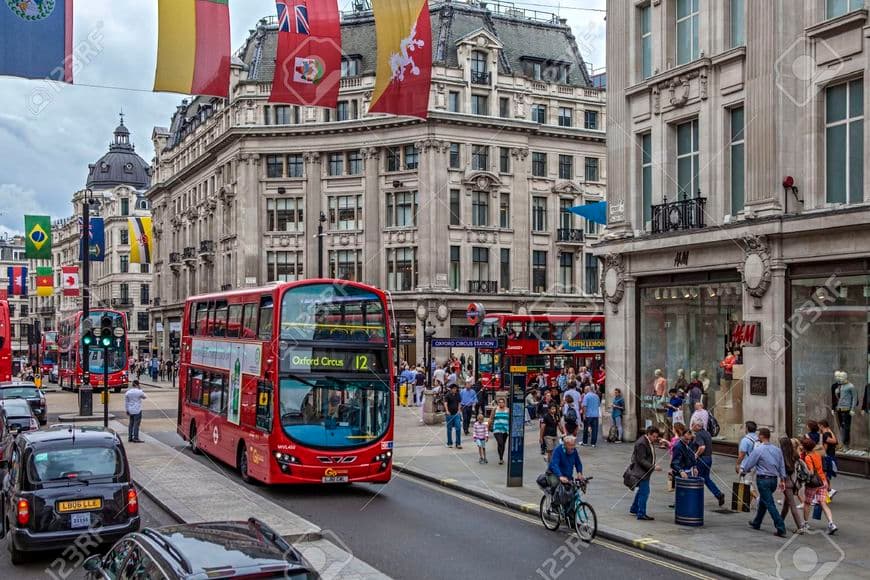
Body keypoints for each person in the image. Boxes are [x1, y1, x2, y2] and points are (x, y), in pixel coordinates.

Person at [740, 427, 787, 537]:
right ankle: (757, 522)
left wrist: (744, 470)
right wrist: (782, 478)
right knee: (764, 501)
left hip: (763, 480)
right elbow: (781, 465)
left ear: (761, 436)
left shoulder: (759, 450)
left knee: (769, 504)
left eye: (759, 435)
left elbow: (750, 463)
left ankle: (781, 527)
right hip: (774, 480)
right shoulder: (777, 450)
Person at [800, 437, 837, 534]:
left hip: (814, 483)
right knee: (823, 503)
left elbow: (811, 472)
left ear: (804, 447)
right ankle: (831, 523)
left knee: (807, 503)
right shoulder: (817, 454)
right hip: (823, 481)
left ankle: (805, 523)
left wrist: (804, 471)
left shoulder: (808, 457)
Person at [626, 426, 662, 521]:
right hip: (641, 472)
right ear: (648, 434)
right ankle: (641, 513)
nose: (655, 438)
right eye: (654, 436)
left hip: (645, 471)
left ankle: (634, 508)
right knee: (645, 492)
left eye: (656, 437)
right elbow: (641, 460)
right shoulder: (642, 443)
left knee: (641, 490)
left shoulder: (647, 441)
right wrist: (653, 467)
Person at [691, 420, 726, 507]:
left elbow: (702, 447)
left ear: (698, 426)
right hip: (709, 458)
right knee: (706, 478)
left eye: (693, 425)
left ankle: (696, 499)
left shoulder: (698, 434)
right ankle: (718, 494)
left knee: (698, 479)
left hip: (702, 459)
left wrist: (695, 455)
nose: (691, 426)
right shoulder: (707, 433)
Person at [779, 436, 807, 534]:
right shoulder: (795, 455)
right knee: (786, 504)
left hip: (787, 483)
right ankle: (780, 521)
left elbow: (782, 472)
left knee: (792, 505)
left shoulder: (783, 456)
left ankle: (800, 527)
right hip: (795, 482)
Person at [818, 420, 838, 498]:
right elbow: (835, 441)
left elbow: (826, 446)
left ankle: (829, 490)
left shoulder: (825, 435)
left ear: (822, 426)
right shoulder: (828, 433)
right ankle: (828, 491)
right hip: (831, 455)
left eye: (819, 425)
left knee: (825, 474)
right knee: (826, 474)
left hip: (827, 456)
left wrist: (822, 454)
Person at [489, 397, 510, 465]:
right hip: (497, 429)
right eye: (499, 402)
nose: (501, 403)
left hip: (505, 429)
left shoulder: (508, 410)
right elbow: (491, 419)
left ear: (504, 403)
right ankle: (501, 458)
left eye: (502, 402)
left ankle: (501, 457)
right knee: (500, 442)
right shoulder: (495, 409)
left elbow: (510, 419)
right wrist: (487, 428)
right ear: (498, 403)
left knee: (503, 444)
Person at [443, 384, 462, 449]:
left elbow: (459, 403)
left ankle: (458, 443)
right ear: (451, 389)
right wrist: (447, 411)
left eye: (455, 388)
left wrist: (459, 410)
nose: (455, 389)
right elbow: (445, 403)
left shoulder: (458, 395)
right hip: (449, 414)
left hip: (456, 414)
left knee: (458, 428)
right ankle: (449, 443)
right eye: (453, 388)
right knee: (449, 429)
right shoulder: (447, 395)